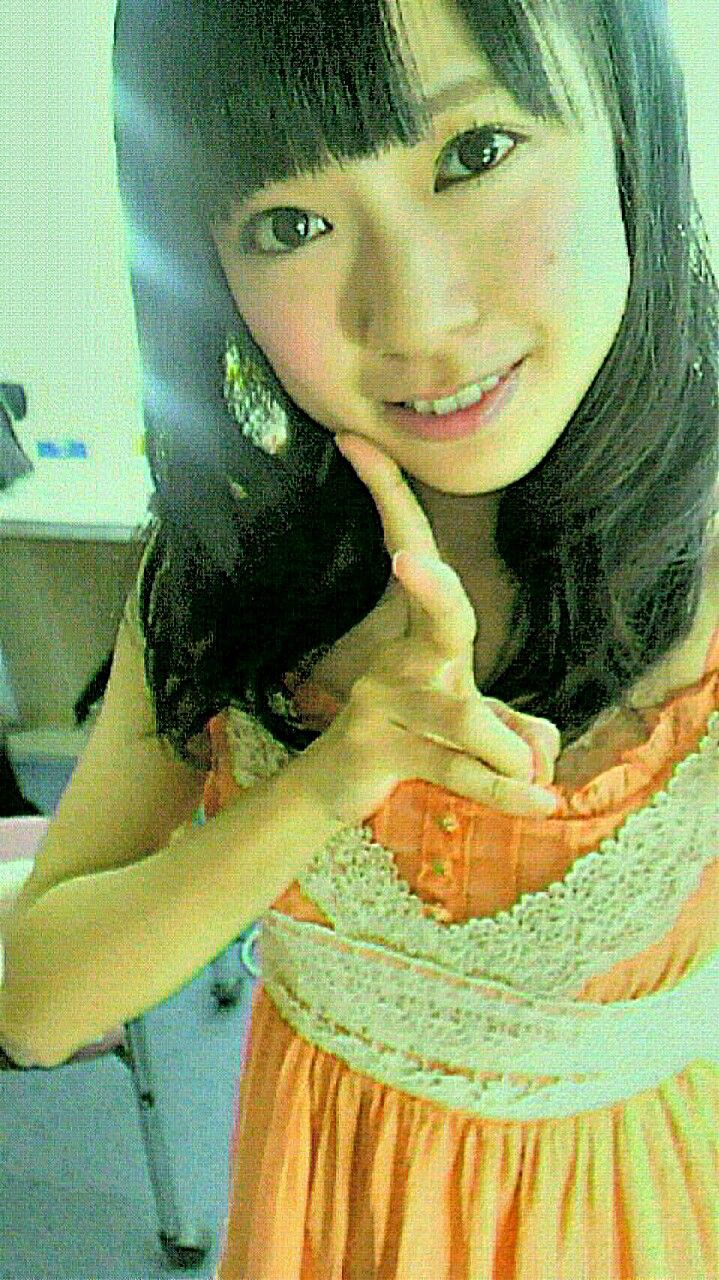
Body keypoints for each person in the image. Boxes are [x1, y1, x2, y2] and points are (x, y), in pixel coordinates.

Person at [1, 0, 718, 1274]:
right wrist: (329, 779)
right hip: (324, 1211)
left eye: (474, 153)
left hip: (625, 1215)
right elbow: (38, 1005)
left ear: (628, 122)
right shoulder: (230, 562)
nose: (412, 315)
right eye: (289, 225)